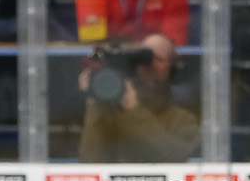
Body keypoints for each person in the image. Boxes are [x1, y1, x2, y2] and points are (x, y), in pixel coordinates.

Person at [77, 32, 197, 162]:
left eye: (159, 60)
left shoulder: (183, 119)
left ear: (173, 69)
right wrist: (94, 104)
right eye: (144, 60)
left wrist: (135, 111)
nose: (150, 66)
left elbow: (177, 157)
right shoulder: (112, 115)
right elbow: (89, 162)